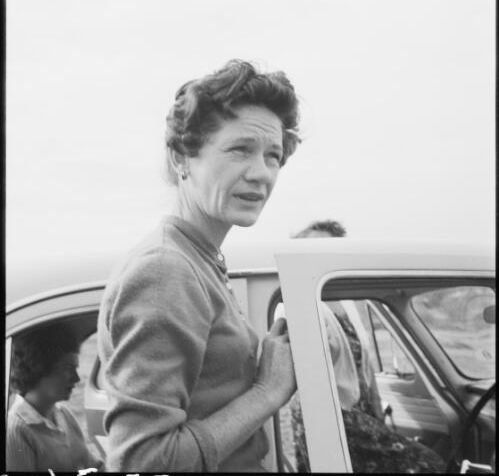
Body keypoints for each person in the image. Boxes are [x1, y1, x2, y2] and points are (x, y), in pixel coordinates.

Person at [97, 60, 300, 472]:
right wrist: (268, 391)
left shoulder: (198, 260)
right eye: (240, 149)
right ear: (180, 158)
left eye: (273, 155)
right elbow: (142, 460)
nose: (261, 173)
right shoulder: (165, 271)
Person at [290, 219, 446, 473]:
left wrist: (377, 414)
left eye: (331, 251)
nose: (322, 258)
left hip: (359, 413)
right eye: (314, 250)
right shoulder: (299, 305)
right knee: (429, 463)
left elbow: (365, 367)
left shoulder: (348, 301)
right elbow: (305, 384)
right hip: (332, 420)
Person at [6, 324, 104, 472]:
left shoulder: (63, 414)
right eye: (68, 368)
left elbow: (93, 466)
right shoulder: (16, 430)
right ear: (39, 368)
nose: (77, 379)